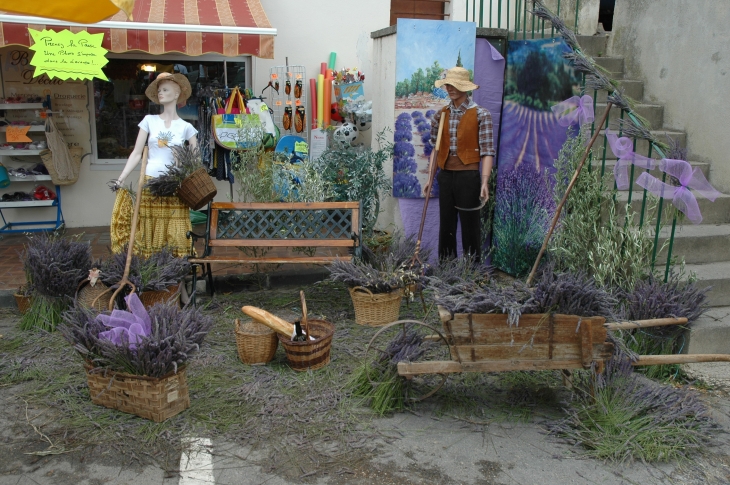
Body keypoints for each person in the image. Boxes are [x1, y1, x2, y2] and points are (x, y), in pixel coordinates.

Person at [110, 72, 198, 258]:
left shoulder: (186, 127)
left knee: (176, 229)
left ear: (176, 94)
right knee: (148, 228)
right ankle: (152, 273)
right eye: (159, 90)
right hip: (150, 182)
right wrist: (121, 178)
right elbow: (136, 153)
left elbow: (195, 162)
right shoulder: (149, 121)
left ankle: (176, 276)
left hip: (175, 186)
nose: (160, 93)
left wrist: (180, 163)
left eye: (165, 89)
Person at [422, 67, 495, 262]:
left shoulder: (481, 114)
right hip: (445, 175)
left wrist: (484, 182)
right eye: (448, 84)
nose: (450, 89)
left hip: (468, 177)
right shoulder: (440, 115)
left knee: (470, 225)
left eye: (455, 85)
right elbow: (435, 150)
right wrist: (430, 178)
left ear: (465, 87)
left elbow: (487, 150)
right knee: (446, 225)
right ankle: (447, 270)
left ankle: (471, 273)